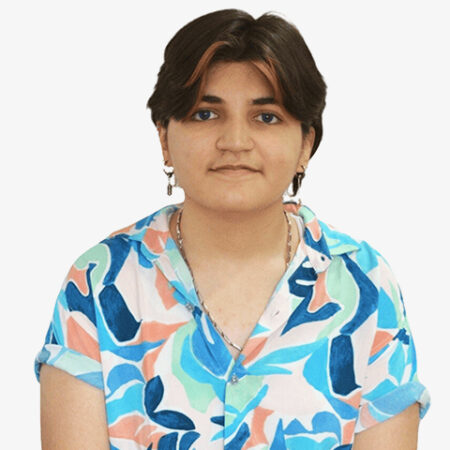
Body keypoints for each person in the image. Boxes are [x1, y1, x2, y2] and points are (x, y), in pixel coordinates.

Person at [35, 8, 431, 449]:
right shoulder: (97, 283)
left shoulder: (365, 288)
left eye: (267, 117)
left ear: (306, 143)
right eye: (206, 114)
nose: (235, 142)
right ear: (164, 137)